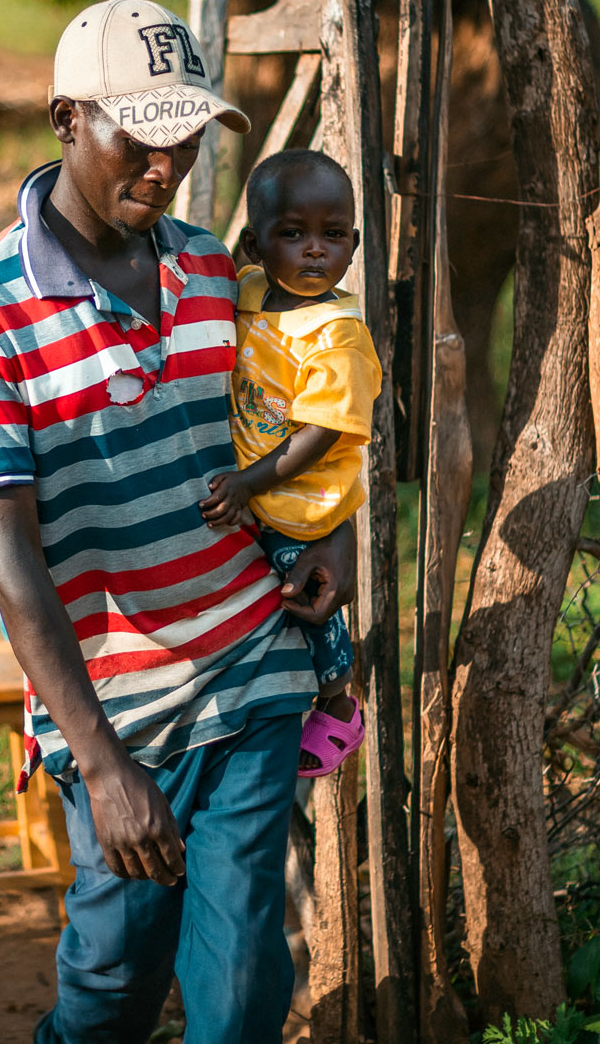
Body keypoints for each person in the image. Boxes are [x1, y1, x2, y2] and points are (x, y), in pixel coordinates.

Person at [0, 0, 358, 1044]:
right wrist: (105, 762)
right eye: (140, 135)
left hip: (250, 660)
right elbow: (13, 565)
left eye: (187, 135)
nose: (166, 165)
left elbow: (301, 422)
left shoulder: (215, 268)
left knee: (243, 969)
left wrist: (330, 538)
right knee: (114, 977)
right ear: (68, 117)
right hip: (111, 708)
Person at [198, 149, 376, 776]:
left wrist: (247, 483)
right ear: (253, 244)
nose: (314, 251)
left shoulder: (337, 336)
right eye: (293, 234)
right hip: (258, 486)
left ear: (353, 245)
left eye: (333, 235)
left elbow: (323, 432)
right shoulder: (247, 293)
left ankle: (337, 698)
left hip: (302, 499)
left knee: (301, 590)